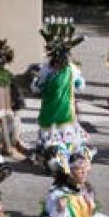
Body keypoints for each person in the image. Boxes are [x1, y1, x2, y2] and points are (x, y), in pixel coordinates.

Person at [31, 16, 87, 171]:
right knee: (66, 138)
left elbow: (36, 87)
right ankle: (64, 158)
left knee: (52, 138)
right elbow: (80, 85)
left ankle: (53, 159)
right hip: (65, 113)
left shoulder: (47, 69)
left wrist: (38, 84)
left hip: (50, 113)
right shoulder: (71, 69)